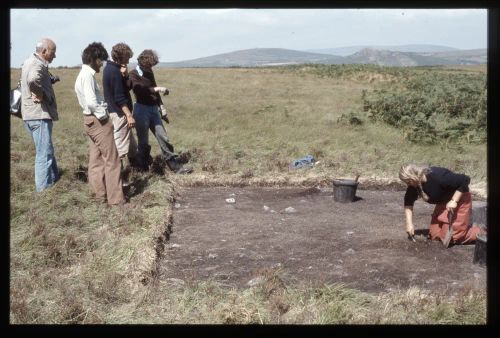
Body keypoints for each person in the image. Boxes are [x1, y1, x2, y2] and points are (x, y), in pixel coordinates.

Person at [74, 42, 126, 205]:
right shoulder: (88, 75)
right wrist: (103, 115)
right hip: (97, 121)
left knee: (96, 161)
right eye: (100, 60)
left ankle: (99, 197)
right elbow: (91, 102)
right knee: (113, 160)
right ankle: (116, 201)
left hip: (88, 120)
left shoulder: (81, 74)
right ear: (93, 59)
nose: (102, 64)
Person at [128, 49, 192, 174]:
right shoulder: (133, 74)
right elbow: (139, 91)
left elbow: (156, 94)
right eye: (150, 64)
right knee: (143, 142)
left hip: (153, 109)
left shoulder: (149, 72)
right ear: (143, 61)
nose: (151, 67)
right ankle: (142, 168)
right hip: (141, 109)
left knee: (163, 137)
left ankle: (175, 166)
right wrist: (156, 89)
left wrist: (162, 108)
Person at [399, 164, 481, 247]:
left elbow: (465, 180)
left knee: (452, 238)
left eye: (408, 181)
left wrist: (454, 201)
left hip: (460, 199)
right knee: (435, 235)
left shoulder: (439, 177)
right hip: (443, 203)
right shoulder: (414, 185)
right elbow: (408, 202)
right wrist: (409, 224)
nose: (407, 185)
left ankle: (481, 232)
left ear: (414, 177)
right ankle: (463, 226)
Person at [20, 38, 60, 192]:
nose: (54, 56)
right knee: (44, 154)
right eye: (53, 52)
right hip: (39, 115)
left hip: (30, 115)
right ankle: (44, 191)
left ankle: (54, 180)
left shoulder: (28, 61)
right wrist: (41, 93)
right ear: (44, 51)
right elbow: (32, 80)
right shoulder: (37, 64)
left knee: (47, 150)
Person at [102, 42, 138, 184]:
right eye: (127, 57)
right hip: (120, 114)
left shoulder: (111, 68)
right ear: (121, 56)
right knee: (120, 149)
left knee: (131, 146)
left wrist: (126, 75)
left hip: (116, 112)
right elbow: (119, 98)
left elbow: (126, 88)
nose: (129, 60)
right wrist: (128, 115)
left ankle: (137, 170)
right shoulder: (114, 72)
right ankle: (119, 181)